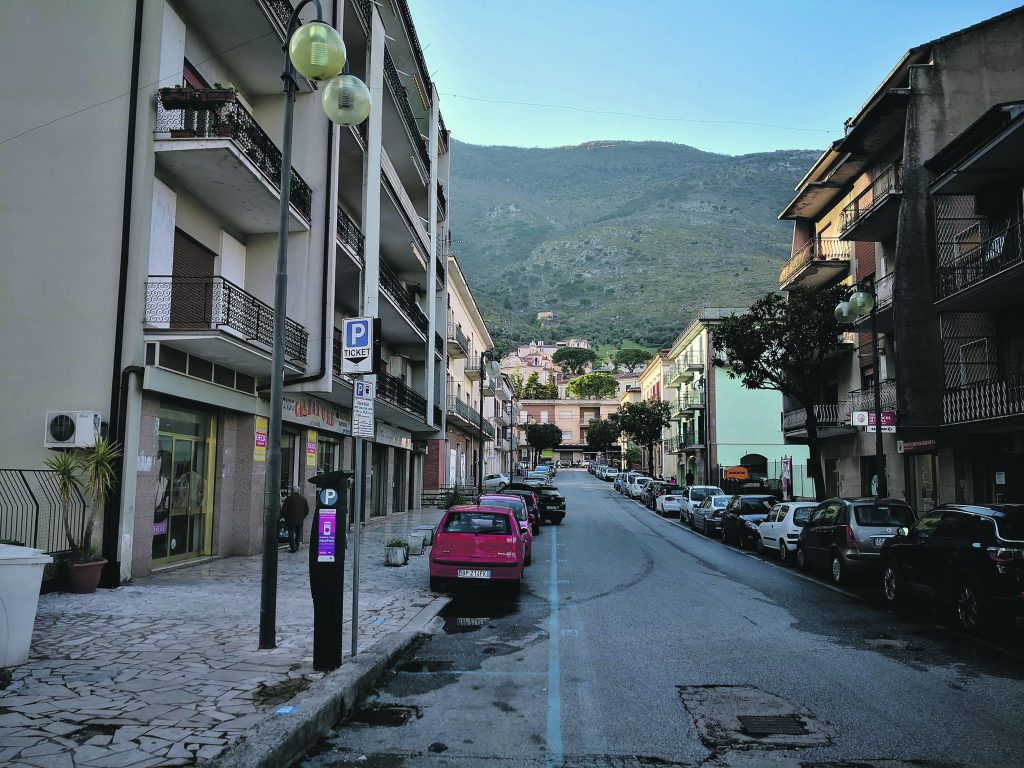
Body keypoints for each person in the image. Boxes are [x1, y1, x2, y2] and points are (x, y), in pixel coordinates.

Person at [282, 486, 309, 553]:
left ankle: (293, 547)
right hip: (299, 520)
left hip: (290, 520)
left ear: (292, 491)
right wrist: (303, 517)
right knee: (298, 534)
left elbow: (284, 510)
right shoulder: (303, 499)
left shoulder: (288, 499)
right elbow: (307, 510)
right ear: (299, 491)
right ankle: (296, 546)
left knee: (291, 534)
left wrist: (286, 517)